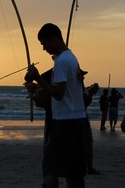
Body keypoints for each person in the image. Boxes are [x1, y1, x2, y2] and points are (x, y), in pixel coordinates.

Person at [25, 23, 87, 188]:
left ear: (54, 39)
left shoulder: (61, 62)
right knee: (74, 171)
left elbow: (58, 93)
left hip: (65, 122)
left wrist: (38, 78)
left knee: (51, 168)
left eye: (44, 43)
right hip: (78, 119)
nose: (44, 49)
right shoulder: (72, 58)